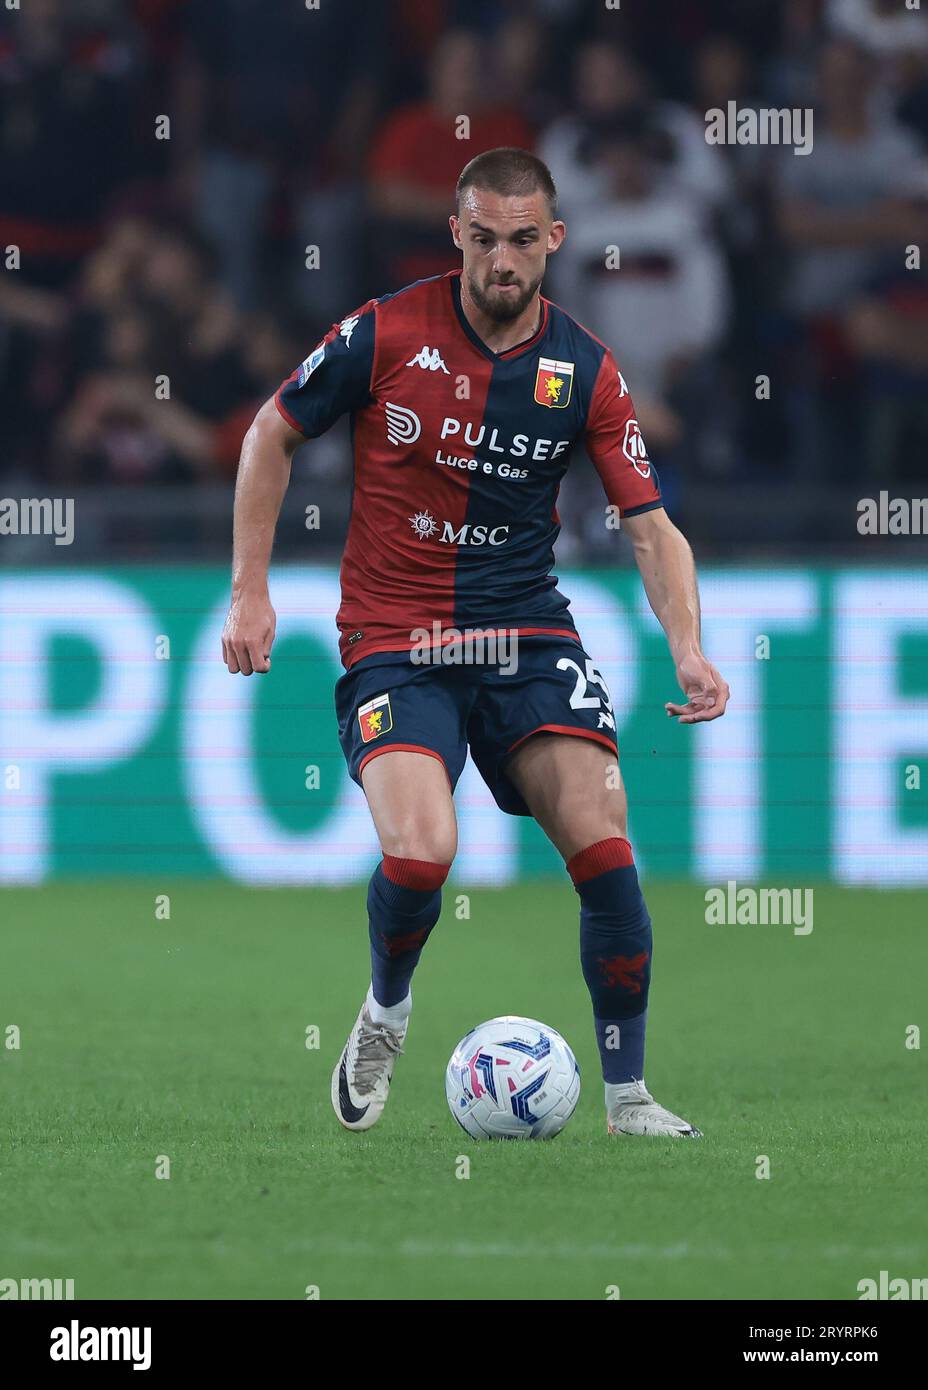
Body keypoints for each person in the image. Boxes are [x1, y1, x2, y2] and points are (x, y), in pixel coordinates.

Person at [221, 148, 729, 1140]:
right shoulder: (384, 331)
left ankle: (627, 1098)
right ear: (457, 234)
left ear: (555, 240)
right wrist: (251, 593)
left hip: (527, 635)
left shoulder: (583, 369)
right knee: (422, 854)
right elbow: (269, 435)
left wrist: (689, 648)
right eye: (485, 238)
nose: (504, 260)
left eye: (523, 240)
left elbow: (649, 524)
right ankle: (386, 1013)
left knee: (606, 849)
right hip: (395, 639)